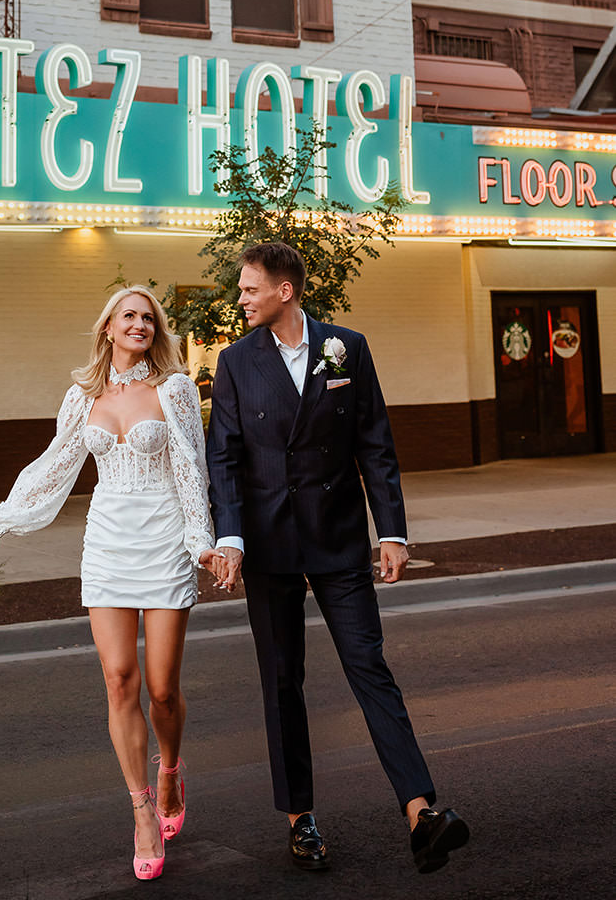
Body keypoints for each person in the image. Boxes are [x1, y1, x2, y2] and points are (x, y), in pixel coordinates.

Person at [205, 241, 470, 876]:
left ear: (284, 291)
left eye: (249, 288)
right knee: (282, 680)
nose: (240, 298)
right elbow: (225, 456)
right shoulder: (236, 361)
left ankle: (420, 812)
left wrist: (394, 532)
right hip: (267, 545)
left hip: (338, 536)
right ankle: (301, 819)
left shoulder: (348, 347)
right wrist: (231, 538)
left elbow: (375, 443)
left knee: (368, 666)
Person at [0, 286, 221, 881]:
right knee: (118, 681)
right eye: (128, 316)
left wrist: (201, 542)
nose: (140, 324)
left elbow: (191, 466)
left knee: (161, 689)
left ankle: (169, 769)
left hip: (163, 541)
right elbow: (53, 466)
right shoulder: (82, 396)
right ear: (108, 327)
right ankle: (139, 809)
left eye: (149, 318)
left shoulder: (176, 389)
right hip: (108, 543)